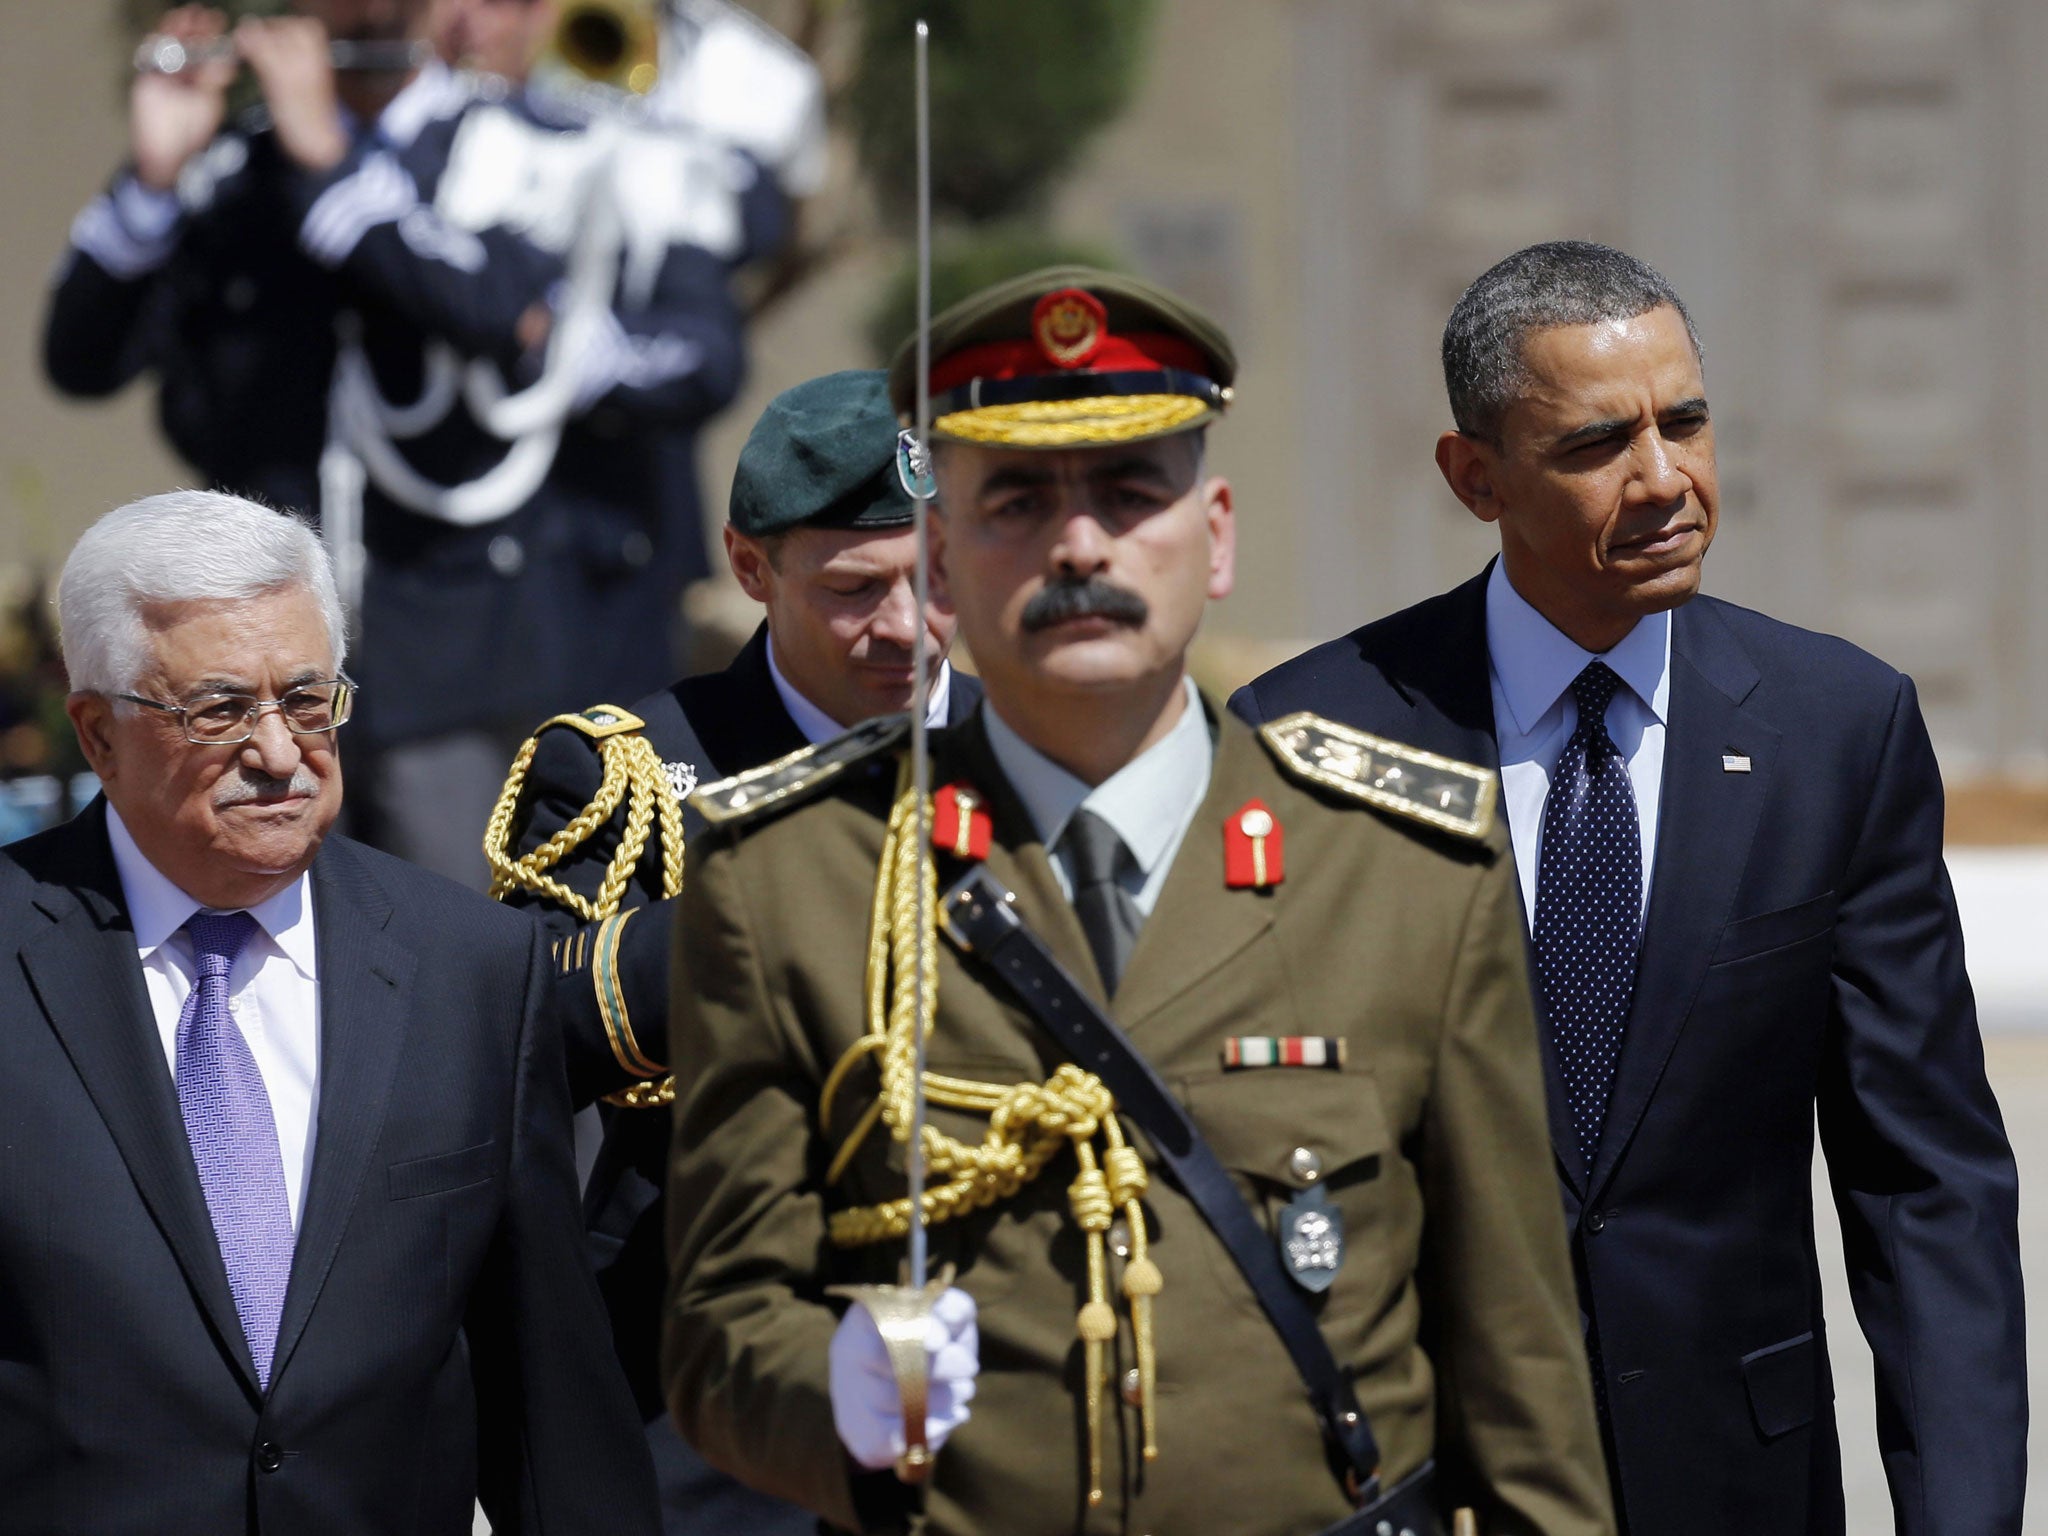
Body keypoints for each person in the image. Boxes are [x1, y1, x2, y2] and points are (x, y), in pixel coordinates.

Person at [658, 267, 1615, 1536]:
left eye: (1127, 494)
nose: (1078, 546)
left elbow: (1520, 1374)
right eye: (1016, 500)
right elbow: (719, 1330)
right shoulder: (790, 876)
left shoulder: (1403, 869)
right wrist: (828, 1388)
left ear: (1213, 536)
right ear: (940, 557)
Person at [1231, 240, 2026, 1535]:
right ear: (1473, 476)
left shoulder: (1837, 732)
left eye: (1688, 423)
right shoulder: (1317, 739)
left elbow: (1925, 1184)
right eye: (1601, 444)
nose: (1666, 481)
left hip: (1739, 1485)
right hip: (1430, 1487)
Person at [0, 491, 658, 1535]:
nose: (278, 752)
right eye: (216, 711)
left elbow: (551, 1407)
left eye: (308, 700)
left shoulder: (470, 970)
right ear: (98, 734)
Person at [44, 0, 772, 888]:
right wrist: (157, 176)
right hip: (271, 659)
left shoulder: (532, 149)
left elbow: (510, 315)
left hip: (469, 655)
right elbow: (81, 361)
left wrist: (334, 166)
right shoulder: (238, 167)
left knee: (473, 954)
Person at [488, 367, 979, 1536]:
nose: (905, 631)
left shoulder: (1049, 748)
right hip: (716, 1357)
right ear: (751, 568)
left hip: (1005, 1330)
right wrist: (796, 868)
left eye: (936, 578)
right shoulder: (632, 770)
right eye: (856, 590)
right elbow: (524, 1033)